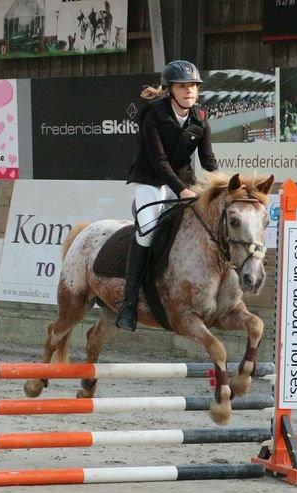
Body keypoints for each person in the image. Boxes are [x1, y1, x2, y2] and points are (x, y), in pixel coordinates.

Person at [115, 60, 218, 331]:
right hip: (150, 179)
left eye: (193, 86)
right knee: (148, 230)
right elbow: (159, 161)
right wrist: (181, 190)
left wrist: (226, 185)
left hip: (183, 180)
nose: (189, 91)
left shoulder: (201, 118)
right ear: (170, 90)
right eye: (183, 86)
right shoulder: (154, 115)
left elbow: (208, 162)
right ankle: (127, 303)